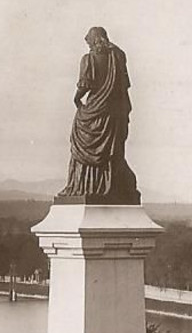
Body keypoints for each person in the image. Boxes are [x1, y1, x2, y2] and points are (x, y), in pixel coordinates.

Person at [58, 26, 139, 201]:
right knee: (112, 151)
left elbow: (85, 85)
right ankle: (110, 186)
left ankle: (86, 185)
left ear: (94, 39)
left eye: (88, 40)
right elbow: (124, 86)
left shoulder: (89, 59)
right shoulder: (118, 57)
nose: (87, 43)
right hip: (114, 114)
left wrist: (76, 100)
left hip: (94, 111)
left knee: (83, 146)